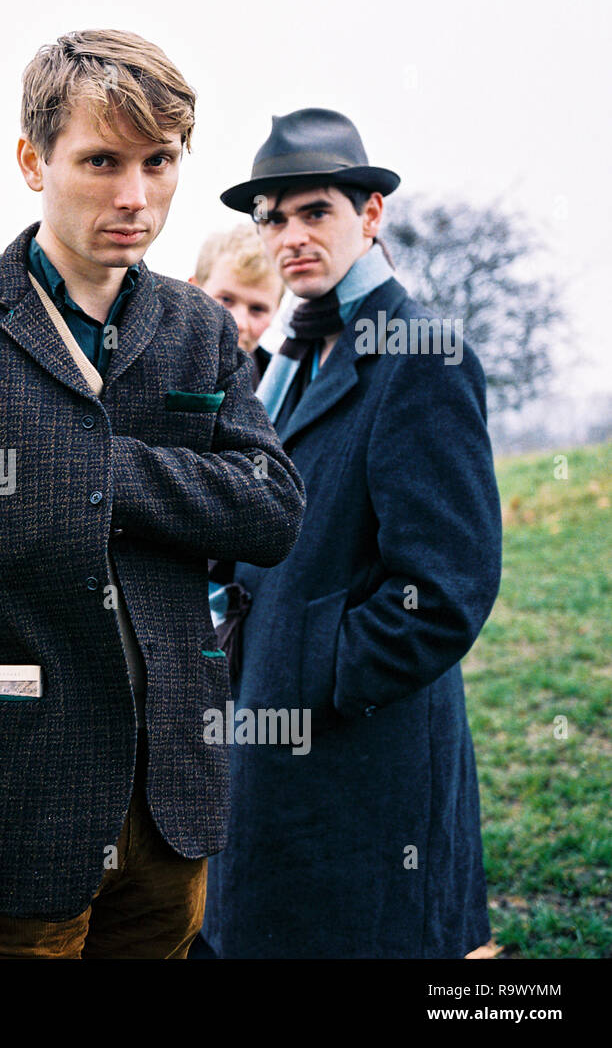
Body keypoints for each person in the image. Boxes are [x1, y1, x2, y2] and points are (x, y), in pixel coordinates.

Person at [0, 29, 304, 959]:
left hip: (172, 805)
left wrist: (108, 469)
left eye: (157, 162)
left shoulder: (200, 328)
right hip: (4, 808)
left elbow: (271, 507)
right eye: (100, 161)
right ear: (31, 159)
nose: (135, 197)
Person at [201, 107, 501, 958]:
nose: (289, 235)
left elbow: (446, 593)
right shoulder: (286, 359)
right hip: (264, 748)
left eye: (314, 212)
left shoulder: (422, 356)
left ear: (370, 215)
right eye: (273, 217)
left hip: (365, 761)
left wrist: (317, 670)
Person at [190, 224, 284, 387]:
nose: (239, 323)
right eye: (226, 300)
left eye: (257, 309)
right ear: (192, 290)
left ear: (277, 311)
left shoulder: (284, 389)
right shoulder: (147, 363)